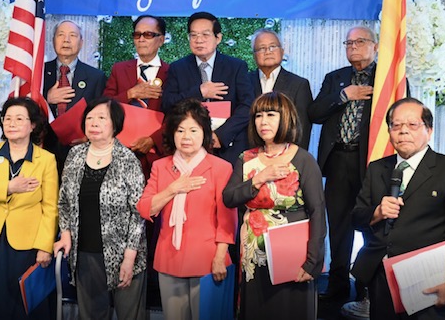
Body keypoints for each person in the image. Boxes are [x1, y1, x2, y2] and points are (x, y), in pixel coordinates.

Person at [351, 97, 445, 320]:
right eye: (396, 125)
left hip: (428, 280)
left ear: (429, 130)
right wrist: (377, 212)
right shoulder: (378, 168)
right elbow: (357, 218)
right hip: (381, 276)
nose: (403, 131)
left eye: (412, 125)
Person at [223, 92, 326, 319]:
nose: (263, 121)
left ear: (285, 118)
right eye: (258, 116)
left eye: (270, 115)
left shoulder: (303, 159)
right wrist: (259, 178)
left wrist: (312, 261)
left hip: (293, 254)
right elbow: (229, 197)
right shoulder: (246, 158)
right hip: (253, 252)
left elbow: (318, 212)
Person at [137, 98, 237, 320]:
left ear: (205, 133)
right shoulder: (161, 166)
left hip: (208, 259)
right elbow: (145, 208)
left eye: (193, 130)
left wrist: (220, 256)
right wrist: (173, 189)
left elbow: (227, 219)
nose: (186, 137)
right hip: (169, 259)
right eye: (180, 130)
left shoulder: (221, 168)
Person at [54, 96, 147, 320]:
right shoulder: (75, 155)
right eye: (90, 118)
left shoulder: (127, 159)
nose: (94, 123)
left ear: (115, 124)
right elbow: (64, 201)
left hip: (125, 254)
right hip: (85, 253)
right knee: (90, 315)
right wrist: (65, 233)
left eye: (102, 118)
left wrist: (129, 257)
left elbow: (139, 214)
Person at [0, 97, 58, 319]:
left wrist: (45, 247)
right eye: (7, 119)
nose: (11, 123)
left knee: (20, 306)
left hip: (26, 244)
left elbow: (50, 207)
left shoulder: (46, 159)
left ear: (32, 125)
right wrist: (9, 187)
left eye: (19, 119)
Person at [308, 26, 377, 304]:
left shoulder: (387, 77)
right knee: (338, 226)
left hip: (370, 162)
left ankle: (366, 286)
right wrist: (343, 96)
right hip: (337, 159)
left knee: (371, 225)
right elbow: (314, 113)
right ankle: (337, 286)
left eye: (359, 41)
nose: (353, 47)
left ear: (375, 46)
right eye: (348, 43)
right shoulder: (335, 78)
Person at [161, 11, 254, 165]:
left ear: (218, 38)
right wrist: (200, 92)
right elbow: (167, 104)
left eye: (205, 35)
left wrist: (221, 135)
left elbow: (247, 105)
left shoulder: (236, 67)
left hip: (228, 147)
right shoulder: (178, 68)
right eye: (194, 35)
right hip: (188, 148)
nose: (199, 40)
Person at [104, 14, 170, 177]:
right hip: (119, 154)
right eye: (137, 34)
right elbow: (103, 105)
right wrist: (130, 94)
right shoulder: (119, 69)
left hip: (157, 157)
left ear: (161, 40)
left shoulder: (172, 72)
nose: (141, 39)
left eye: (148, 34)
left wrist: (153, 140)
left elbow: (177, 115)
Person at [43, 19, 107, 176]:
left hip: (81, 152)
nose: (66, 40)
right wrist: (46, 99)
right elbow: (25, 106)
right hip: (43, 149)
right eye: (61, 35)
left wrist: (89, 136)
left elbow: (104, 114)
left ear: (81, 42)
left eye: (72, 35)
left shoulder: (96, 77)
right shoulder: (39, 73)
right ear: (53, 40)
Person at [248, 28, 313, 149]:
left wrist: (293, 157)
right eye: (262, 48)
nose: (268, 52)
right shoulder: (244, 82)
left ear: (282, 52)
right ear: (254, 55)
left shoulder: (299, 84)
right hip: (250, 154)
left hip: (286, 155)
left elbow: (302, 128)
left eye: (272, 47)